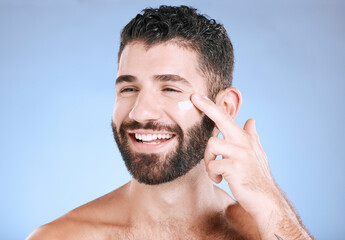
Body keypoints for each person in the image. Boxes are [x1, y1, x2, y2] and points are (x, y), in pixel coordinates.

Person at [27, 5, 314, 240]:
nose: (140, 113)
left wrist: (270, 203)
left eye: (170, 88)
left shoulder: (263, 233)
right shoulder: (62, 236)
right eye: (128, 89)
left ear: (224, 107)